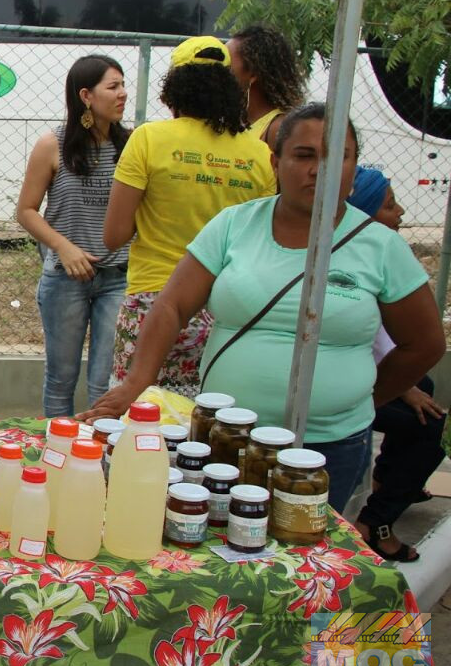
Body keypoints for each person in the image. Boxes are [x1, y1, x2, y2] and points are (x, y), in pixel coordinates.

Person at [83, 103, 444, 519]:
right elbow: (171, 306)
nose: (319, 169)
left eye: (337, 157)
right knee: (218, 544)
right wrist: (135, 384)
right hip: (227, 437)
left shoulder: (380, 247)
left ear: (353, 166)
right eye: (304, 155)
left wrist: (361, 399)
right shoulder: (234, 225)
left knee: (304, 561)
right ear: (276, 162)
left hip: (329, 447)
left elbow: (425, 344)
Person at [103, 36, 276, 397]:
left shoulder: (148, 139)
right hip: (226, 308)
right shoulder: (259, 153)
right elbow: (262, 240)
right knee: (206, 420)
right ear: (229, 86)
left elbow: (114, 235)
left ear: (173, 88)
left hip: (153, 303)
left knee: (137, 417)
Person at [15, 55, 130, 416]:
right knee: (61, 380)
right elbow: (26, 211)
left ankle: (100, 463)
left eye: (124, 84)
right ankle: (58, 460)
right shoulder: (53, 144)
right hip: (65, 279)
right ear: (86, 95)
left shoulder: (133, 145)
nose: (123, 94)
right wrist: (64, 248)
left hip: (119, 277)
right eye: (113, 87)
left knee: (105, 383)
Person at [348, 167, 446, 561]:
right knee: (431, 425)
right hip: (350, 384)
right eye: (390, 206)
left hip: (369, 376)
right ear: (365, 215)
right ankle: (376, 521)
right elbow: (362, 340)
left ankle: (387, 481)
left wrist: (410, 384)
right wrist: (404, 389)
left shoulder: (380, 254)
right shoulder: (353, 262)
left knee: (427, 389)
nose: (401, 212)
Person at [228, 25, 306, 148]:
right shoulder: (236, 121)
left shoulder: (278, 128)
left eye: (227, 66)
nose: (218, 72)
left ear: (253, 73)